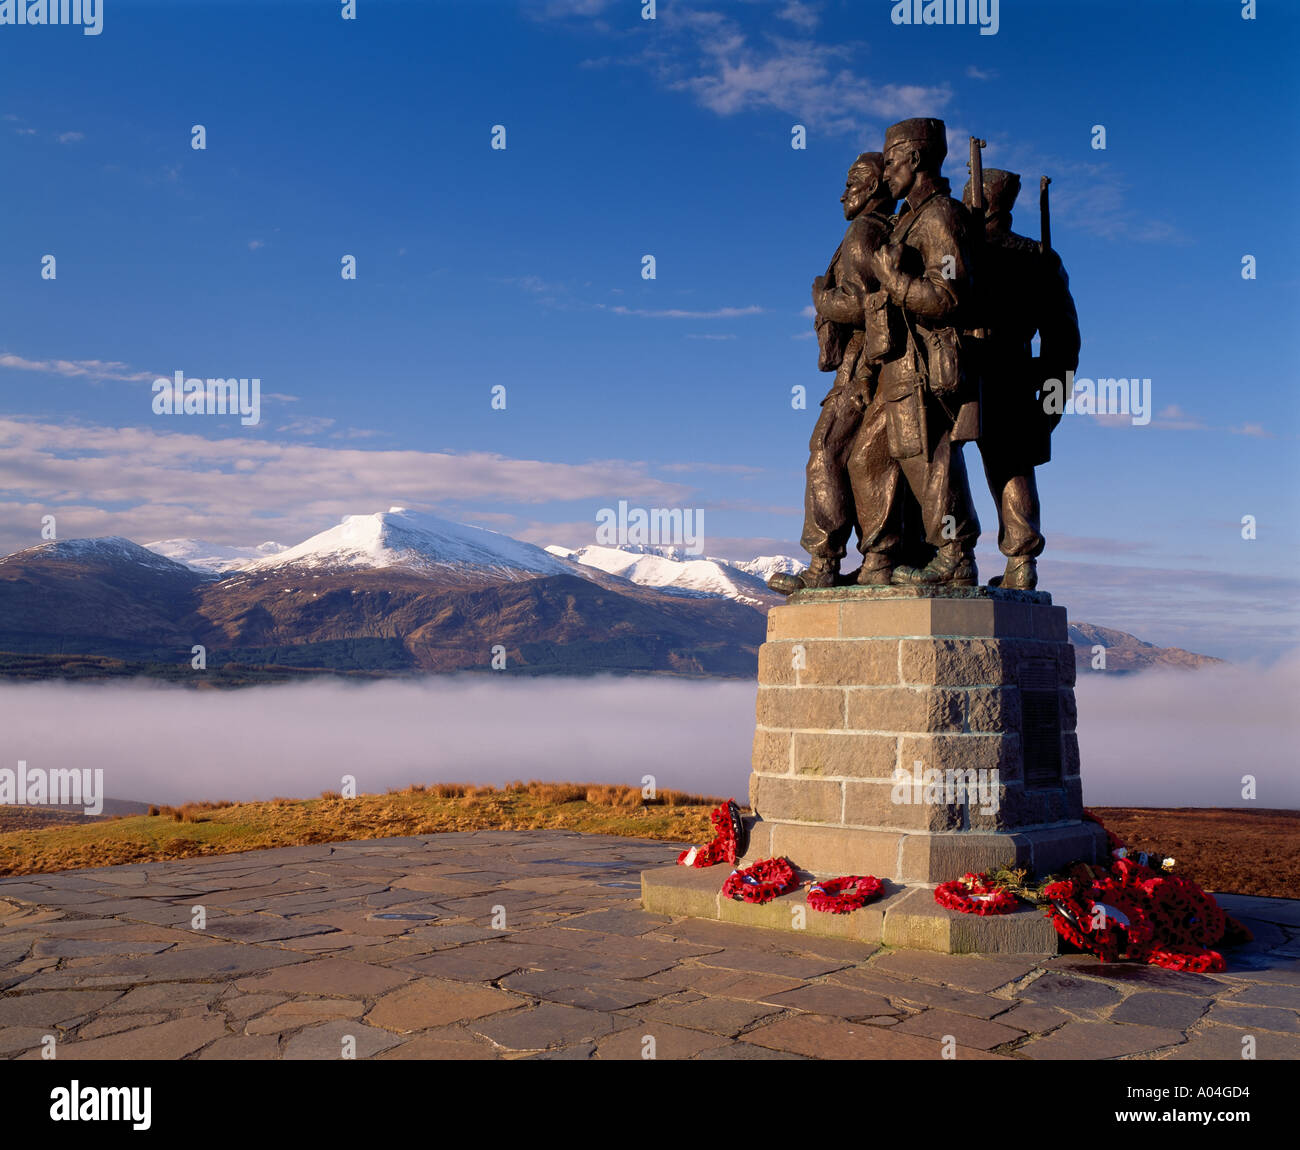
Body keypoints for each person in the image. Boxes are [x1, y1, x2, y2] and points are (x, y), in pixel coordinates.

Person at [769, 153, 901, 594]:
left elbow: (868, 304)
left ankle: (825, 563)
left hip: (864, 366)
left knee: (827, 451)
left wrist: (823, 302)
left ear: (876, 187)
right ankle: (872, 561)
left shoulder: (863, 231)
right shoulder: (875, 230)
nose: (844, 193)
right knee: (865, 458)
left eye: (854, 182)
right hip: (865, 365)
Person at [866, 117, 981, 586]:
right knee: (872, 458)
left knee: (928, 456)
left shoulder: (940, 216)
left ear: (915, 158)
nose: (886, 172)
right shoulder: (910, 218)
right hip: (899, 359)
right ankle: (883, 558)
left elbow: (950, 295)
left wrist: (893, 281)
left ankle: (955, 552)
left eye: (892, 161)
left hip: (926, 362)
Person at [962, 168, 1081, 589]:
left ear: (986, 200)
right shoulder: (1036, 257)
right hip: (990, 369)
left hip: (979, 369)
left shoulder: (969, 251)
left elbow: (1061, 339)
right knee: (1003, 463)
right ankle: (1018, 559)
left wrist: (1050, 401)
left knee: (1000, 462)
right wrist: (1053, 399)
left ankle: (1006, 559)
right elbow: (1064, 342)